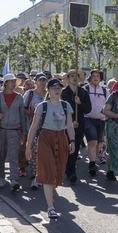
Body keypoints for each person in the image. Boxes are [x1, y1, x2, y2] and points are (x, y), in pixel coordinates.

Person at [26, 79, 75, 219]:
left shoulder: (66, 106)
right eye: (54, 88)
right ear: (48, 90)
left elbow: (70, 126)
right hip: (45, 139)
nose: (57, 90)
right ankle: (51, 207)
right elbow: (34, 127)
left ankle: (50, 196)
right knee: (49, 172)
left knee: (58, 173)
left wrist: (72, 141)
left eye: (59, 87)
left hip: (61, 138)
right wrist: (28, 147)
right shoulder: (42, 106)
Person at [61, 69, 90, 184]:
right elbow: (61, 108)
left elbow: (88, 109)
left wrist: (80, 103)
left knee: (75, 148)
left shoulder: (83, 93)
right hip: (64, 125)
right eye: (71, 76)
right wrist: (70, 121)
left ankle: (71, 171)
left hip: (79, 125)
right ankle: (67, 170)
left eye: (76, 76)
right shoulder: (64, 92)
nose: (74, 78)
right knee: (66, 148)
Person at [23, 73, 48, 189]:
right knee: (33, 150)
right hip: (32, 126)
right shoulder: (30, 94)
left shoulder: (49, 94)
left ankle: (44, 175)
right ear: (36, 82)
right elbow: (23, 109)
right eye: (40, 80)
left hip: (47, 127)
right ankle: (34, 176)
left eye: (44, 80)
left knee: (45, 152)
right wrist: (34, 113)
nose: (42, 83)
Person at [83, 69, 108, 176]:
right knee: (92, 141)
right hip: (88, 118)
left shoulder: (104, 91)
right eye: (93, 76)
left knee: (98, 143)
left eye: (98, 76)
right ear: (90, 78)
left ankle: (93, 159)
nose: (96, 77)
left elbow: (108, 104)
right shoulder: (85, 89)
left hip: (101, 120)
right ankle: (92, 164)